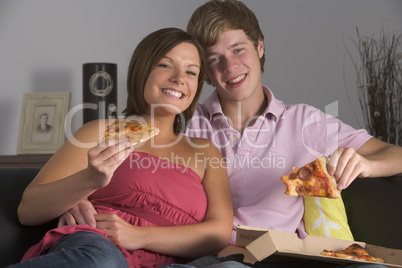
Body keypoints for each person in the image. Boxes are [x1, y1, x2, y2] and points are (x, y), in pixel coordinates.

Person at [58, 1, 402, 267]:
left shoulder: (305, 123)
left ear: (260, 47)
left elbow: (394, 154)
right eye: (214, 59)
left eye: (238, 49)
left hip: (272, 257)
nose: (230, 67)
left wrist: (366, 165)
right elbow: (112, 171)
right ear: (204, 71)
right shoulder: (182, 123)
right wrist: (76, 198)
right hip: (189, 257)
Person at [9, 27, 233, 268]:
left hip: (172, 263)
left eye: (191, 72)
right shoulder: (100, 131)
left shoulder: (205, 152)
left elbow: (218, 234)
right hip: (101, 248)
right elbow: (28, 210)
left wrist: (137, 235)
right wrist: (88, 180)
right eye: (166, 65)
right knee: (102, 262)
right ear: (143, 70)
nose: (179, 78)